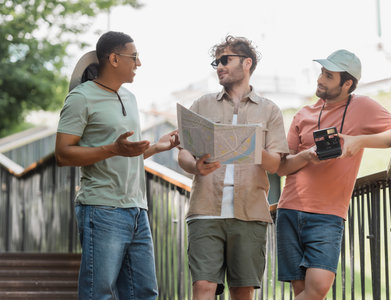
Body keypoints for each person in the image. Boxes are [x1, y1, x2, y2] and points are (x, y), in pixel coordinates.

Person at [55, 31, 179, 300]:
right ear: (113, 58)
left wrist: (158, 146)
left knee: (144, 293)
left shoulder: (131, 98)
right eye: (133, 57)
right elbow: (63, 154)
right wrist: (112, 148)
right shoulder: (81, 98)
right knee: (98, 293)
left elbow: (125, 153)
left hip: (137, 210)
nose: (139, 63)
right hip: (101, 209)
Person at [276, 49, 391, 300]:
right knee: (301, 291)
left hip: (328, 215)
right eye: (321, 72)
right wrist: (306, 156)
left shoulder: (363, 107)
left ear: (347, 83)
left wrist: (359, 141)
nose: (320, 79)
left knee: (318, 288)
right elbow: (282, 167)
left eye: (328, 75)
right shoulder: (303, 114)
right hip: (289, 209)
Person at [178, 35, 289, 300]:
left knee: (242, 291)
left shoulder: (270, 110)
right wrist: (195, 166)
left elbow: (275, 164)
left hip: (250, 212)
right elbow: (182, 152)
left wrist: (247, 146)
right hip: (205, 210)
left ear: (247, 63)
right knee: (203, 286)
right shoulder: (202, 105)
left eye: (226, 60)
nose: (219, 66)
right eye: (216, 62)